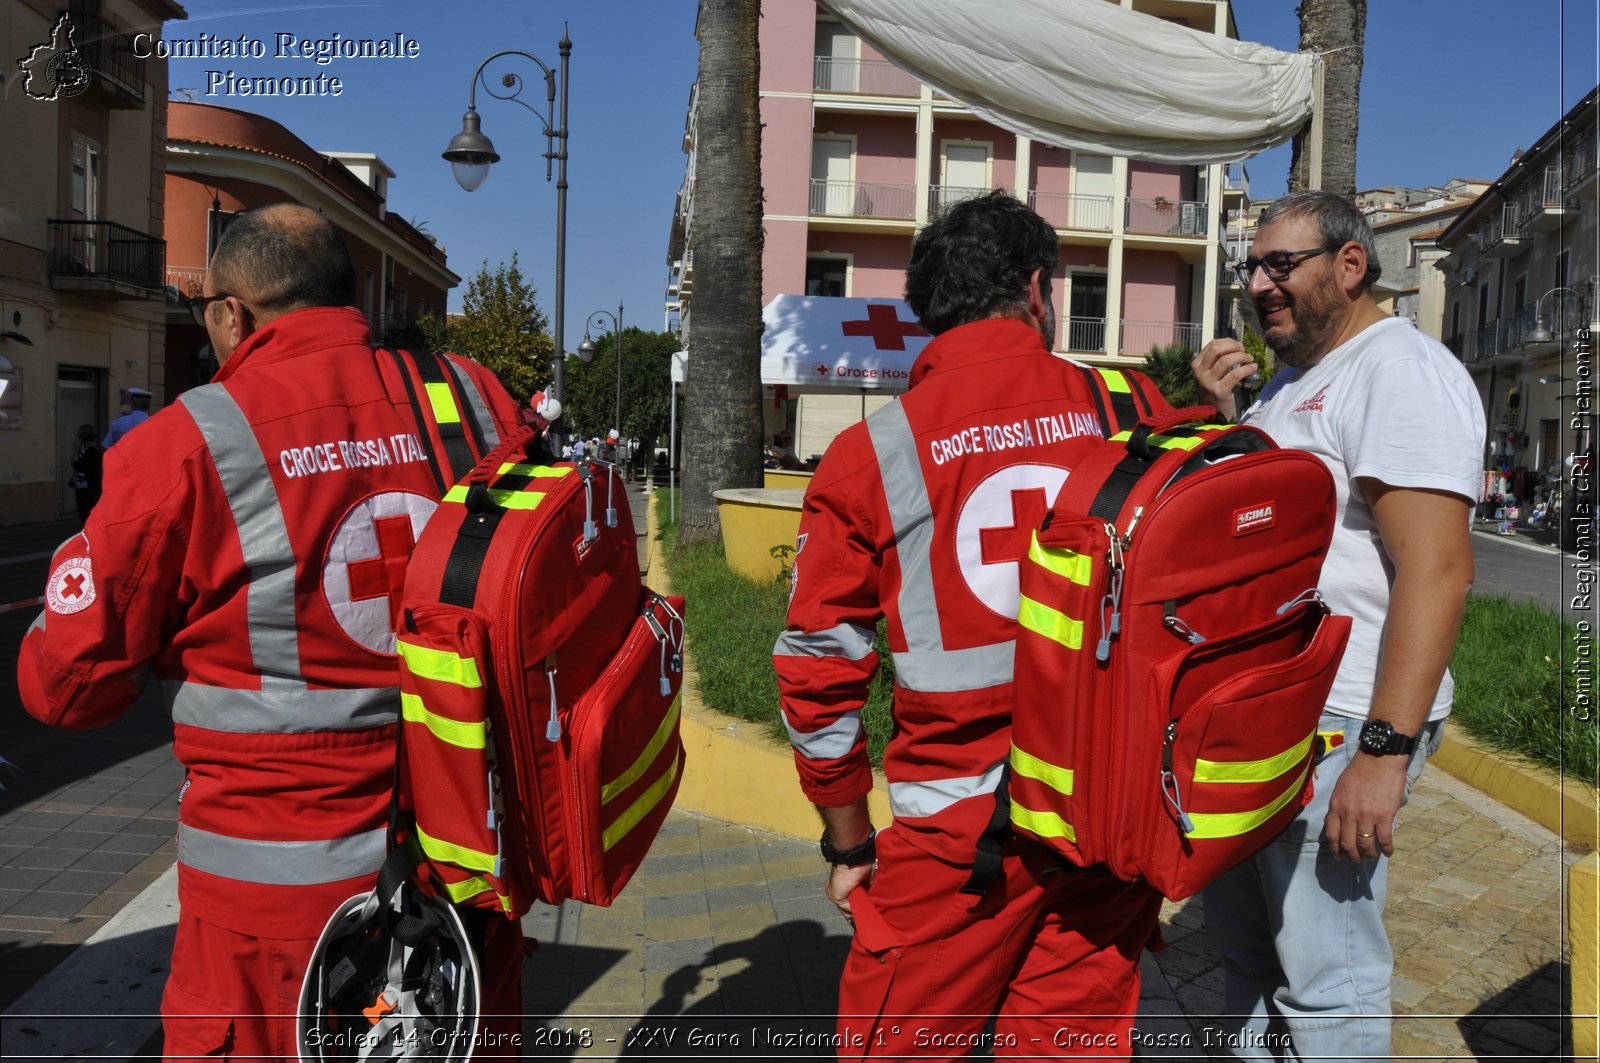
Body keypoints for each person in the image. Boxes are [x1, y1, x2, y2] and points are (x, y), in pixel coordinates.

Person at [18, 204, 527, 1060]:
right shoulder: (477, 399)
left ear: (231, 312)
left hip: (276, 920)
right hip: (465, 873)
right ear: (344, 295)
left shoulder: (190, 440)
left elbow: (67, 687)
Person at [773, 190, 1173, 1059]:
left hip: (959, 846)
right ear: (1037, 290)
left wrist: (848, 840)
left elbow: (816, 679)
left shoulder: (873, 453)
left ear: (929, 312)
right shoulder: (1131, 410)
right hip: (1112, 825)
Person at [1190, 190, 1484, 1060]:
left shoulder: (1400, 373)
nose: (1258, 285)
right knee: (1248, 955)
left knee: (1329, 979)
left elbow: (1438, 570)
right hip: (1267, 713)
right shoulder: (1293, 380)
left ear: (1350, 266)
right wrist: (1223, 420)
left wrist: (1384, 754)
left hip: (1344, 720)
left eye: (1281, 265)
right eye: (1253, 266)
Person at [68, 423, 103, 523]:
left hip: (88, 488)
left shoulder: (91, 451)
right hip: (84, 487)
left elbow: (75, 465)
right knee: (84, 513)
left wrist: (75, 449)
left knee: (86, 514)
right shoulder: (86, 450)